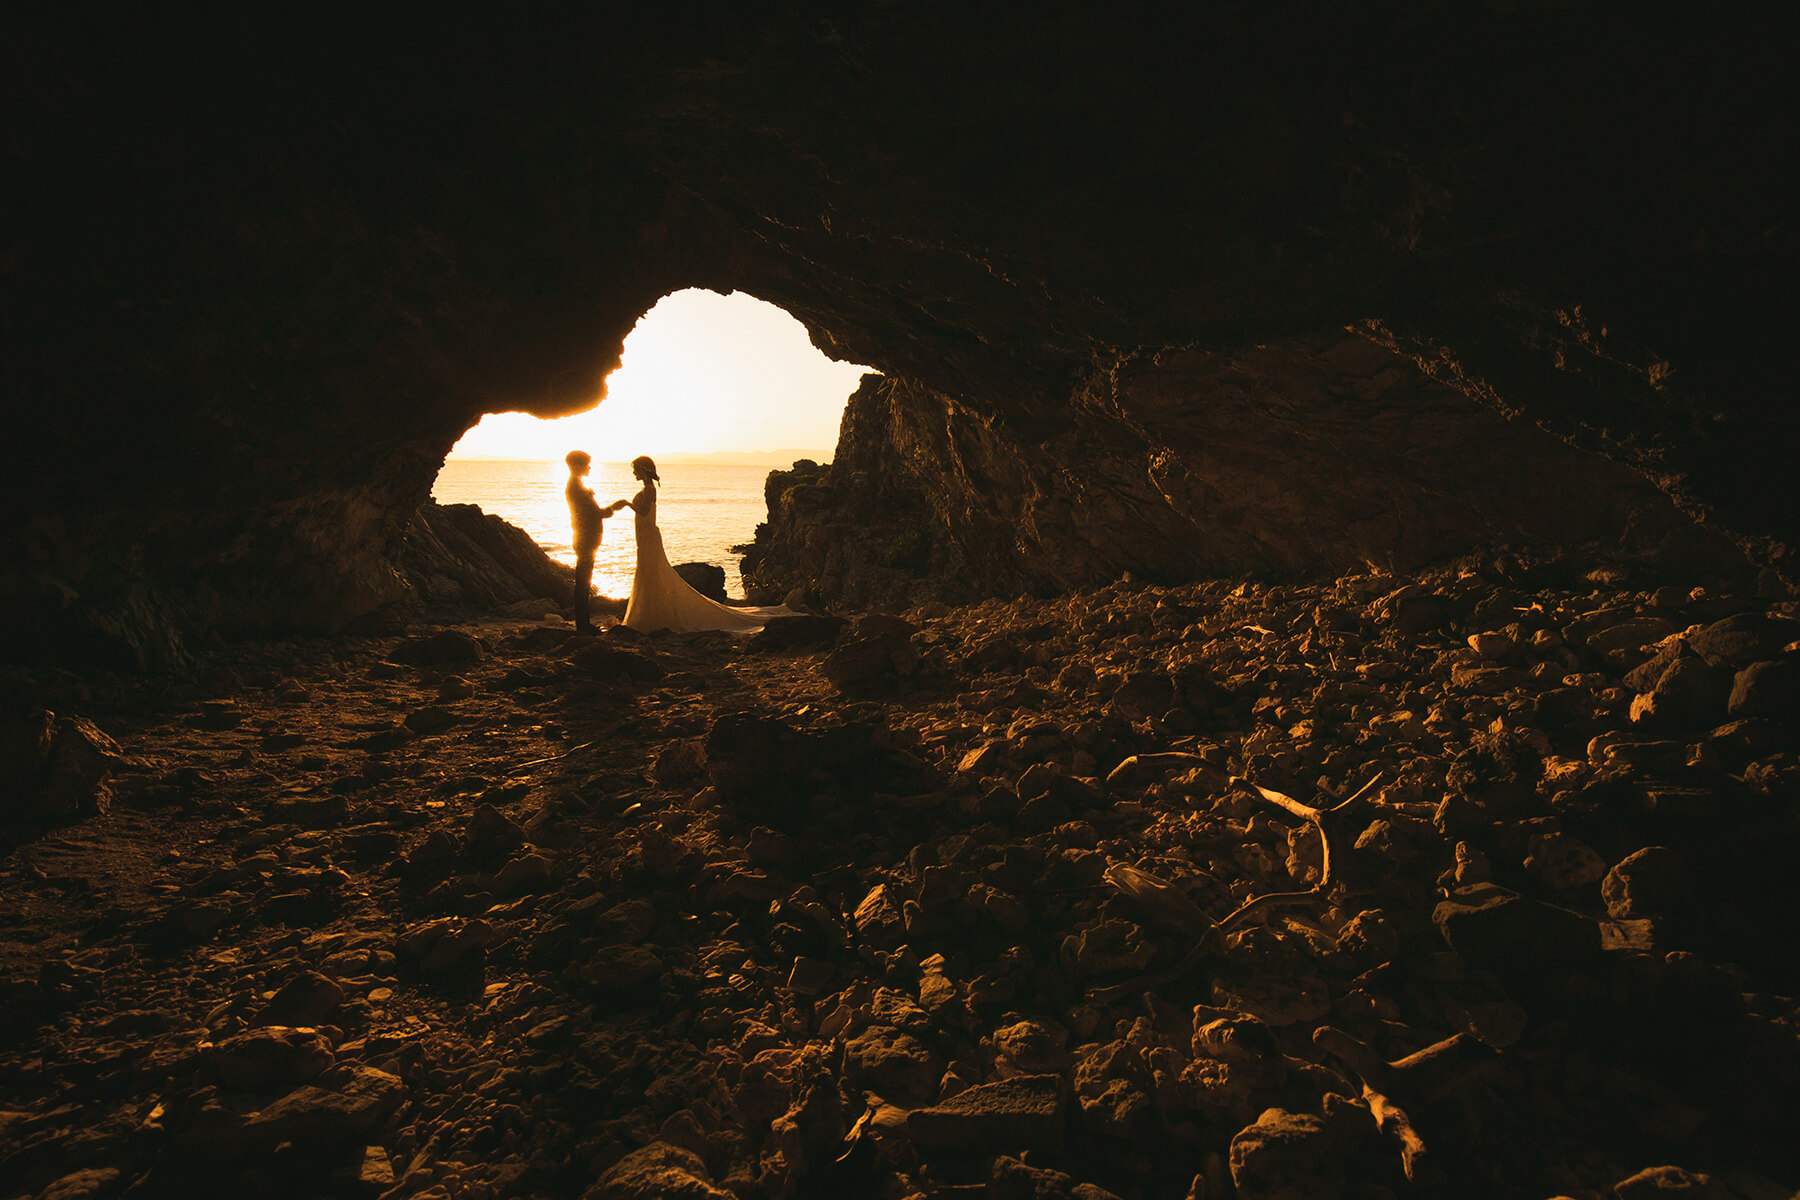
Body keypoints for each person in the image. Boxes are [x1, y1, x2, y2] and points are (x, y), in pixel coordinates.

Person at [614, 455, 791, 634]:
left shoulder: (649, 489)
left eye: (635, 469)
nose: (633, 472)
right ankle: (650, 612)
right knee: (647, 572)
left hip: (649, 536)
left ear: (643, 469)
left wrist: (626, 504)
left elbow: (644, 512)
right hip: (644, 536)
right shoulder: (647, 489)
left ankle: (652, 615)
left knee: (650, 571)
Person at [564, 450, 622, 634]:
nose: (589, 467)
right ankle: (583, 625)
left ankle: (584, 623)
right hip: (585, 539)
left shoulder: (577, 486)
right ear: (576, 465)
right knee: (583, 583)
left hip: (585, 538)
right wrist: (613, 508)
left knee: (584, 582)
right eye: (586, 464)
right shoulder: (575, 487)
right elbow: (593, 514)